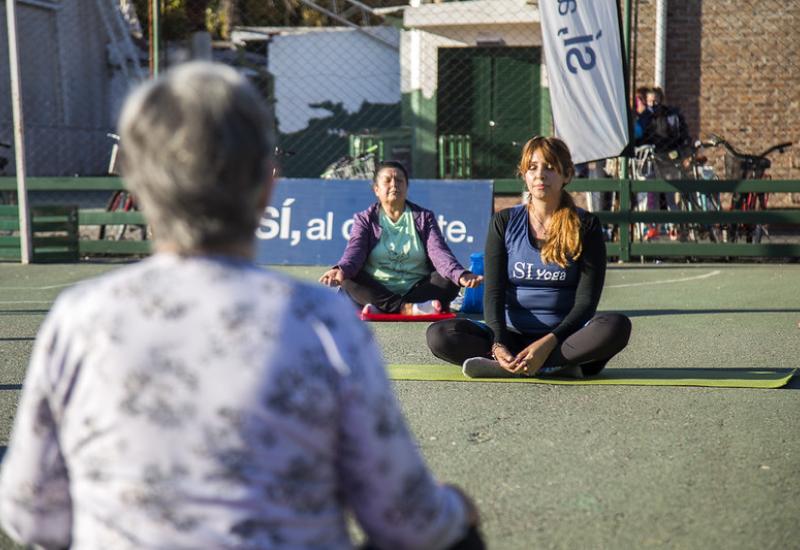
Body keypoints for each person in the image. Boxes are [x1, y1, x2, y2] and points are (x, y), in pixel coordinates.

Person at [0, 62, 483, 550]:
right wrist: (456, 510)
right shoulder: (322, 321)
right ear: (267, 189)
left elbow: (29, 516)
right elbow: (403, 518)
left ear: (136, 186)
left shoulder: (78, 318)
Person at [426, 136, 631, 378]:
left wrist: (548, 343)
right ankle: (538, 365)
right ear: (524, 174)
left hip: (563, 339)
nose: (540, 175)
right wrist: (498, 344)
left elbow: (586, 303)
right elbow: (493, 293)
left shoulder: (586, 225)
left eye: (550, 167)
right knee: (439, 334)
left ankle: (531, 364)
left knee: (616, 326)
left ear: (566, 174)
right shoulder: (504, 222)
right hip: (511, 336)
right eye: (532, 167)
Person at [319, 160, 483, 314]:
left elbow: (439, 253)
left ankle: (383, 308)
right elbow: (354, 252)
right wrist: (340, 270)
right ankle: (408, 308)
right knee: (348, 280)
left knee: (448, 280)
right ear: (376, 189)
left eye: (399, 180)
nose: (394, 184)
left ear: (406, 187)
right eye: (387, 180)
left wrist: (460, 275)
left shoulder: (424, 217)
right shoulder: (364, 219)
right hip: (377, 289)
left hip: (417, 290)